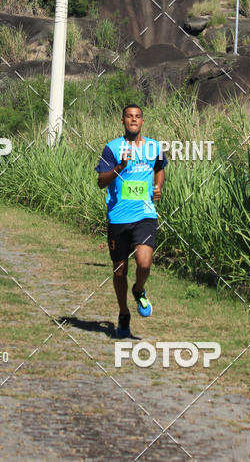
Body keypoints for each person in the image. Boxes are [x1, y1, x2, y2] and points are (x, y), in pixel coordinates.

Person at [95, 104, 167, 339]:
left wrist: (158, 187)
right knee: (119, 270)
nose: (133, 120)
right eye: (129, 116)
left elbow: (160, 168)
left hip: (145, 214)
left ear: (142, 121)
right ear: (123, 121)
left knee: (144, 263)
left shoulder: (155, 147)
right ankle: (124, 313)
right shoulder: (112, 148)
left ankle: (139, 289)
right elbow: (101, 182)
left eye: (137, 117)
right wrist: (120, 167)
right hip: (118, 217)